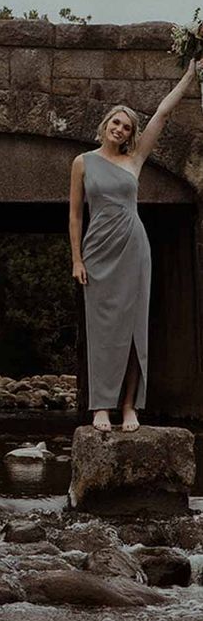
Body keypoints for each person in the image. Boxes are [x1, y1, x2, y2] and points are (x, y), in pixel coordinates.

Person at [69, 59, 202, 432]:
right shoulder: (82, 162)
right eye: (116, 122)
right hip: (96, 252)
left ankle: (129, 405)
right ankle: (100, 407)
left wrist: (190, 74)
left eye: (126, 127)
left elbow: (161, 113)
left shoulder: (135, 160)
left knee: (132, 329)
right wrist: (77, 259)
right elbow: (76, 216)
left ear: (130, 135)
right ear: (105, 125)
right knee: (101, 331)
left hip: (133, 248)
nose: (120, 129)